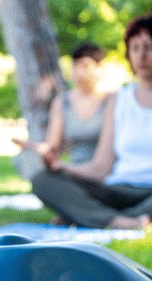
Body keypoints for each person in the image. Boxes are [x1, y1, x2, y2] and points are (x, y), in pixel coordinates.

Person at [28, 13, 152, 230]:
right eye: (135, 48)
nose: (142, 56)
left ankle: (89, 216)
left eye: (149, 47)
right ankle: (119, 220)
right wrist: (61, 166)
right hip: (116, 189)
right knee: (43, 180)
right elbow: (101, 167)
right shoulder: (118, 99)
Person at [12, 42, 112, 224]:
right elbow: (53, 145)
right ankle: (77, 210)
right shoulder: (63, 101)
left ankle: (81, 213)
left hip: (105, 171)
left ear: (100, 68)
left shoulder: (112, 100)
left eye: (86, 66)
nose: (78, 72)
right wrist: (40, 150)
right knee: (29, 165)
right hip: (73, 170)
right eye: (75, 66)